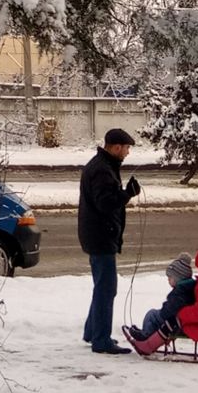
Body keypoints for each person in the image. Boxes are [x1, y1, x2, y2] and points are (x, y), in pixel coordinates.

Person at [78, 127, 141, 355]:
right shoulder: (103, 170)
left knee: (102, 285)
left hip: (97, 234)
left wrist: (123, 192)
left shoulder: (101, 165)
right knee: (107, 288)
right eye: (126, 148)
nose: (127, 153)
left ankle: (92, 331)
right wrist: (128, 194)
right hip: (101, 235)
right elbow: (106, 203)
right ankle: (101, 340)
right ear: (115, 147)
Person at [125, 238, 198, 356]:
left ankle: (146, 341)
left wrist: (181, 313)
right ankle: (146, 338)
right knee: (167, 319)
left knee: (162, 318)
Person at [125, 252, 195, 341]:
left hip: (175, 323)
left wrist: (162, 313)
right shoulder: (188, 288)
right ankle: (145, 332)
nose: (168, 280)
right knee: (154, 315)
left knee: (152, 315)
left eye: (170, 278)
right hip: (178, 320)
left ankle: (145, 335)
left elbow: (171, 308)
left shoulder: (180, 292)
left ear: (178, 278)